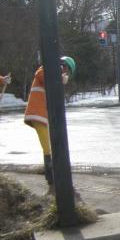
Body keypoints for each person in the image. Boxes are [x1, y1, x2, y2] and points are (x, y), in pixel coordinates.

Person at [24, 56, 75, 190]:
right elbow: (42, 75)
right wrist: (59, 75)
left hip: (43, 116)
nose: (65, 73)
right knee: (48, 148)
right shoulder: (45, 70)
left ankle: (50, 176)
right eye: (66, 70)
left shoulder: (52, 73)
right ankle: (51, 176)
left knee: (49, 145)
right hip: (37, 114)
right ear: (63, 66)